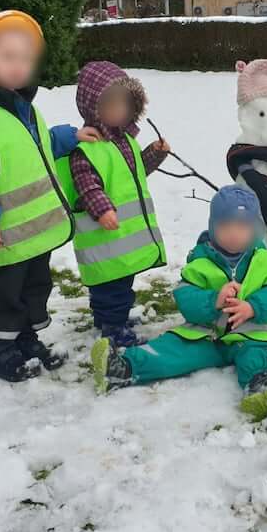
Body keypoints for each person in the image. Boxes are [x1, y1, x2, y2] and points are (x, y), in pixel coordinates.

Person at [0, 10, 97, 382]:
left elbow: (36, 146)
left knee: (33, 288)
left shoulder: (21, 106)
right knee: (3, 296)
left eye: (26, 59)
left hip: (34, 234)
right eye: (7, 57)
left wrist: (70, 136)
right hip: (5, 232)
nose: (18, 67)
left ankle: (26, 338)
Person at [89, 185, 267, 419]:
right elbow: (186, 297)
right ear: (213, 227)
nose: (233, 234)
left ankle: (263, 388)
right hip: (207, 334)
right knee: (173, 350)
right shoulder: (200, 261)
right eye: (225, 226)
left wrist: (253, 307)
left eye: (241, 227)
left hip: (253, 335)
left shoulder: (264, 261)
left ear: (254, 229)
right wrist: (213, 300)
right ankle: (121, 368)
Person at [56, 61, 169, 347]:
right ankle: (113, 327)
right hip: (105, 237)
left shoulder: (125, 141)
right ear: (94, 107)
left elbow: (135, 171)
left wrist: (154, 154)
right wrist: (102, 209)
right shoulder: (88, 147)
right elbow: (86, 182)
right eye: (111, 104)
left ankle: (108, 319)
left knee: (118, 283)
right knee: (112, 288)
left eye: (124, 104)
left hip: (121, 239)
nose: (119, 110)